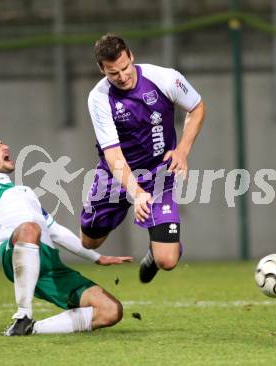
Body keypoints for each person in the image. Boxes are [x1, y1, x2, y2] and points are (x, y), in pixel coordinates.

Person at [0, 130, 132, 336]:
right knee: (30, 228)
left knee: (111, 311)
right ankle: (23, 315)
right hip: (15, 254)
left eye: (2, 143)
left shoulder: (24, 192)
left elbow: (56, 231)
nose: (5, 147)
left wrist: (97, 257)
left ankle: (30, 329)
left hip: (50, 266)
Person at [81, 34, 205, 284]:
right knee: (89, 242)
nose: (122, 76)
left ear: (132, 56)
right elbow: (113, 154)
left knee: (167, 261)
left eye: (125, 67)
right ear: (101, 69)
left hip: (158, 174)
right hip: (114, 176)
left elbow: (197, 107)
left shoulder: (165, 78)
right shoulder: (99, 98)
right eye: (113, 73)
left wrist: (182, 150)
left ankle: (156, 251)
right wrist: (136, 193)